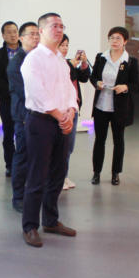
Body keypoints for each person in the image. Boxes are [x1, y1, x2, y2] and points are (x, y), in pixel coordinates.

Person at [20, 13, 78, 248]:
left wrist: (71, 112)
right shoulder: (33, 59)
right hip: (41, 122)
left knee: (58, 173)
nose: (59, 29)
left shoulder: (61, 60)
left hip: (62, 121)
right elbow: (38, 92)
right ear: (41, 31)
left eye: (62, 26)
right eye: (54, 25)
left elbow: (70, 89)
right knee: (37, 175)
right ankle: (30, 226)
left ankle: (51, 221)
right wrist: (60, 115)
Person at [89, 27, 139, 186]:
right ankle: (96, 172)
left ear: (125, 41)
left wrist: (125, 87)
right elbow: (93, 76)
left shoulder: (130, 61)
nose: (114, 41)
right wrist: (97, 83)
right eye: (112, 37)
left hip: (120, 107)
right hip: (101, 105)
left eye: (118, 38)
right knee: (99, 140)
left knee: (118, 141)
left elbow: (136, 84)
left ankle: (115, 173)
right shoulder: (101, 57)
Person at [7, 22, 39, 212]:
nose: (35, 37)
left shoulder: (39, 57)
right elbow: (25, 92)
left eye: (37, 34)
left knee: (38, 156)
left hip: (40, 114)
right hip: (24, 115)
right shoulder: (16, 63)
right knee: (22, 155)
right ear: (21, 38)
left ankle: (35, 193)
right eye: (31, 34)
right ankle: (18, 196)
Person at [58, 34, 91, 190]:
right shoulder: (58, 64)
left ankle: (64, 175)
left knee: (69, 146)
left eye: (67, 45)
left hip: (73, 109)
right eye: (62, 45)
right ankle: (57, 177)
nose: (65, 48)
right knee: (60, 146)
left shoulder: (68, 63)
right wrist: (70, 65)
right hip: (59, 111)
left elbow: (84, 78)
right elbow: (64, 78)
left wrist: (83, 62)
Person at [0, 21, 19, 176]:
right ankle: (10, 165)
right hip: (7, 101)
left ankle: (25, 163)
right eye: (9, 32)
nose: (13, 34)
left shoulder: (27, 51)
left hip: (27, 101)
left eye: (15, 31)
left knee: (26, 133)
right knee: (8, 133)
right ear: (3, 35)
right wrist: (13, 93)